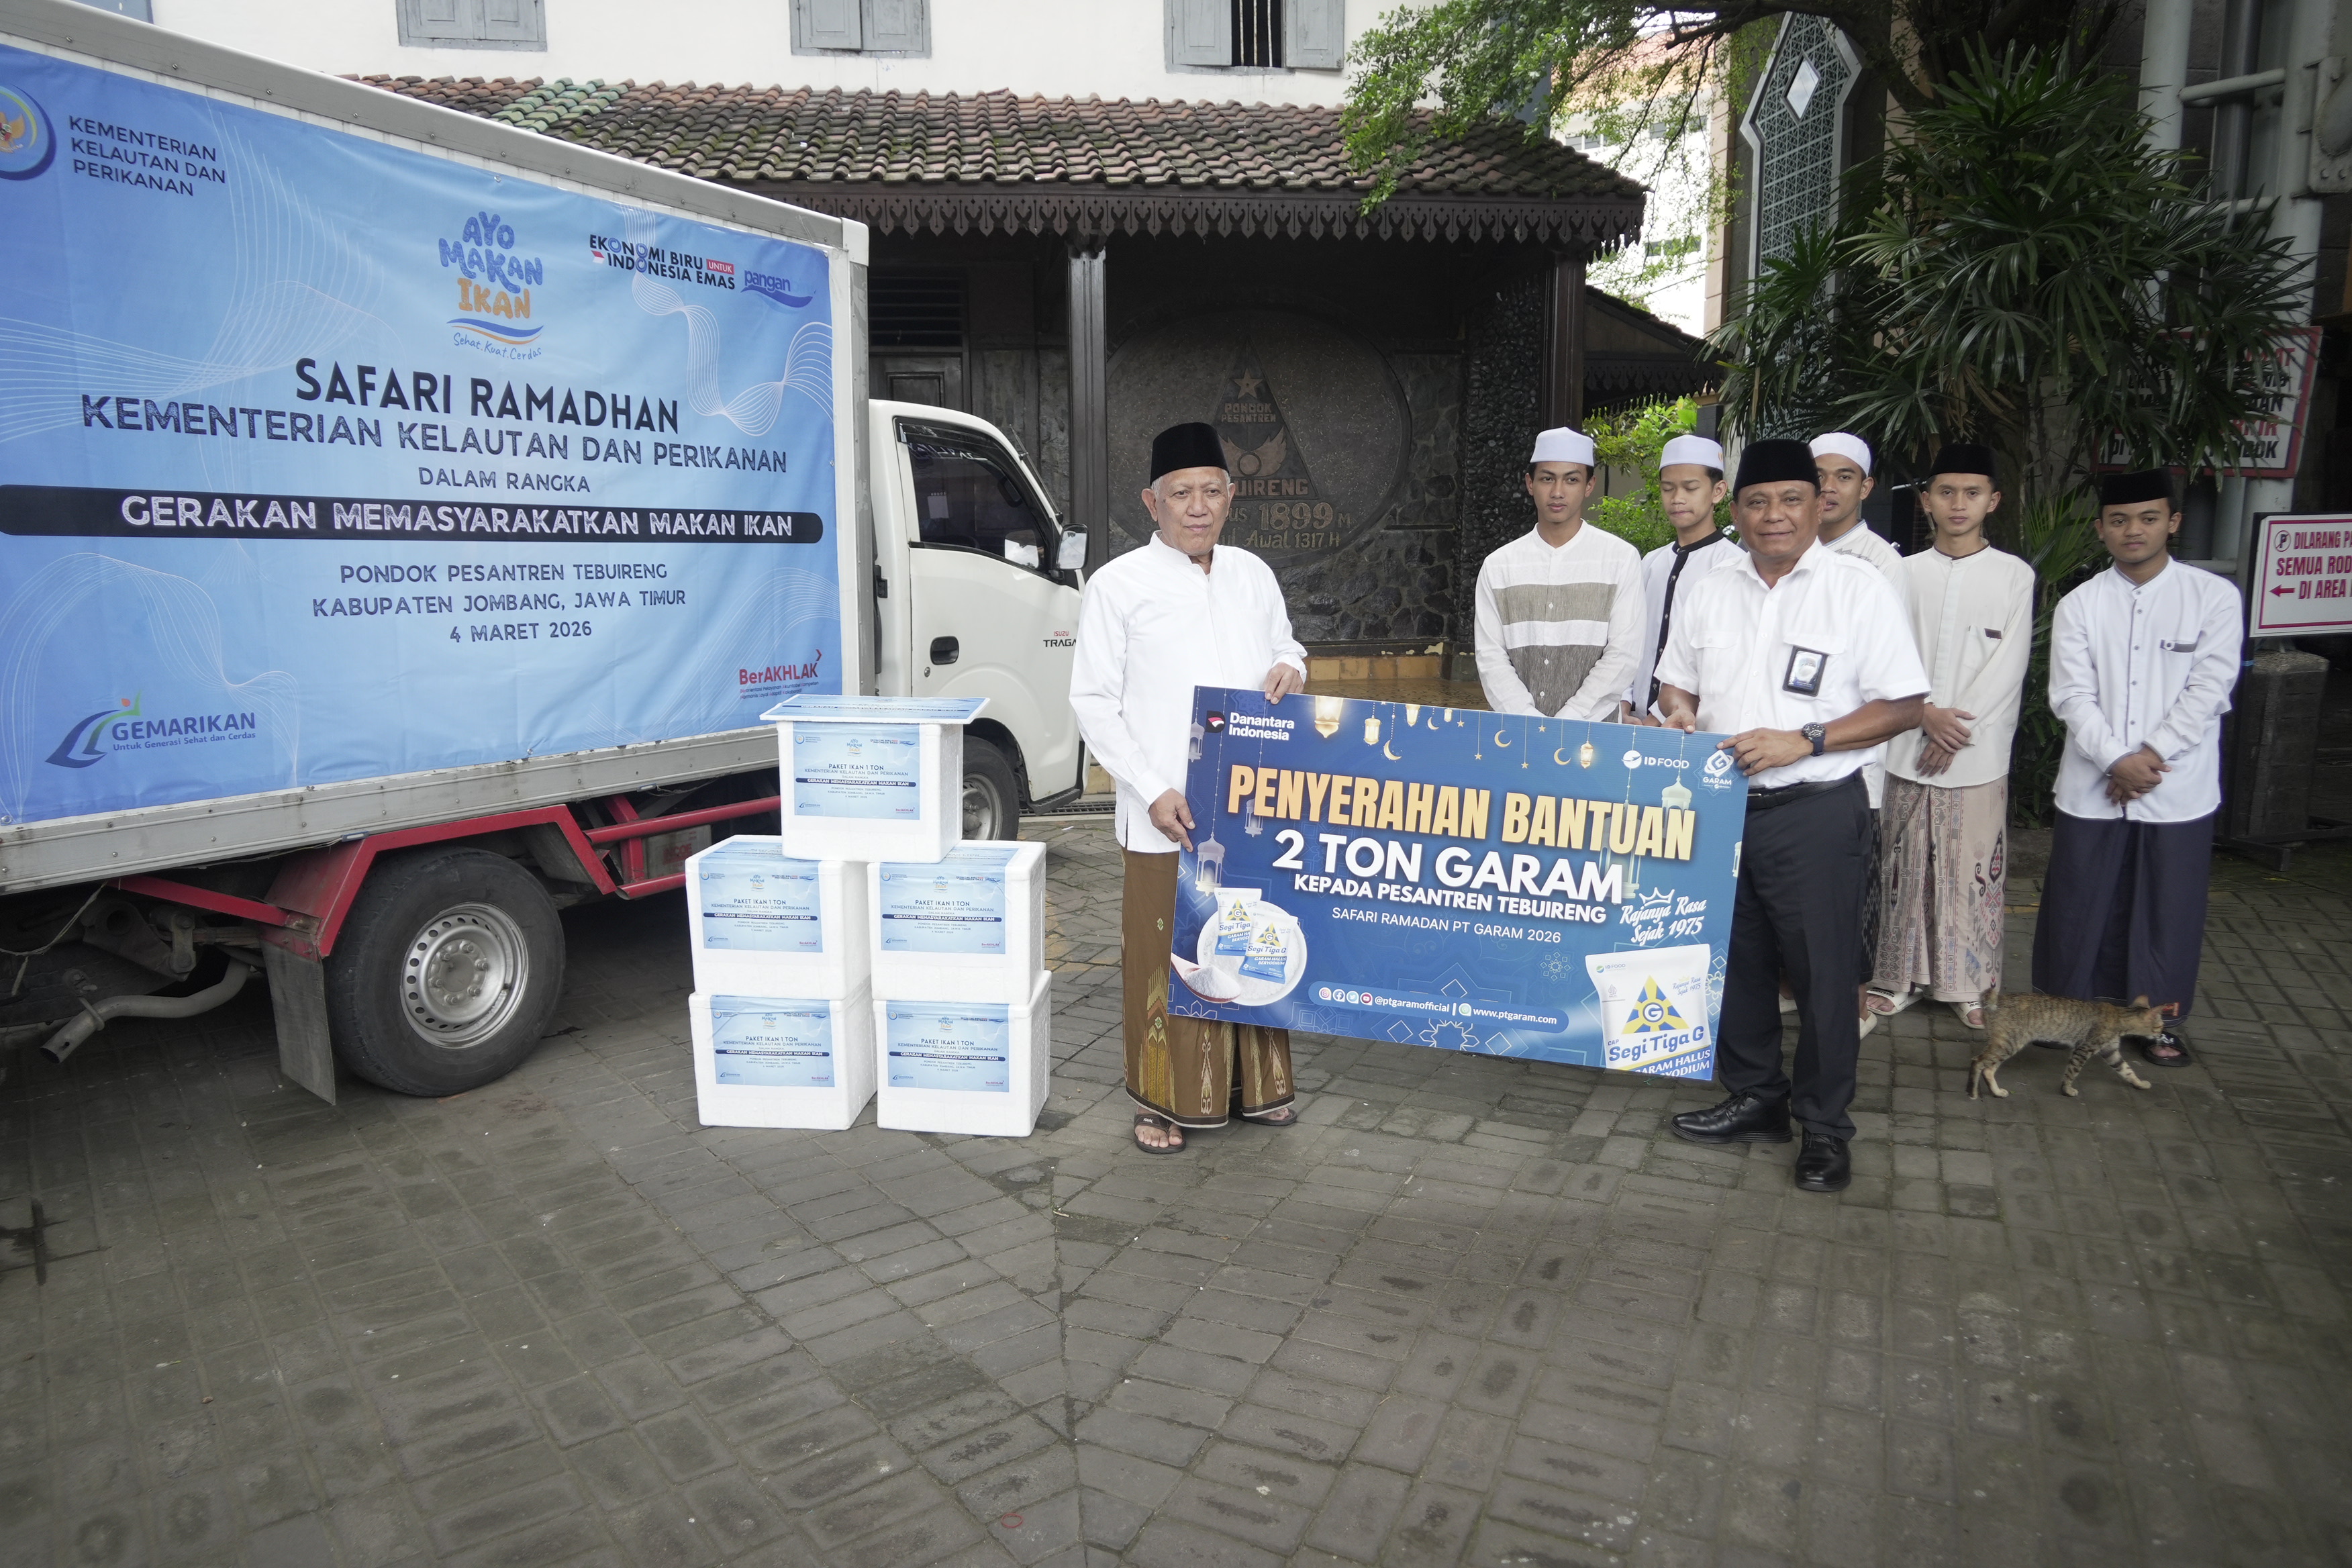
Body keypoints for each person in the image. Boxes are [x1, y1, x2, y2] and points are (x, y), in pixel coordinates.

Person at [1653, 438, 1928, 1193]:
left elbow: (1903, 704)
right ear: (1735, 510)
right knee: (1734, 962)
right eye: (1758, 501)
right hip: (1716, 805)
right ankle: (1757, 1098)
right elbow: (1674, 683)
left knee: (1823, 975)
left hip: (1814, 811)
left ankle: (1827, 1128)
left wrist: (1804, 738)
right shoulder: (1708, 586)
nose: (1773, 515)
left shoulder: (1858, 588)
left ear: (1821, 504)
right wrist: (1677, 713)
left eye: (1791, 500)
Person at [1069, 421, 1308, 1153]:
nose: (1197, 507)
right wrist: (1148, 786)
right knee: (1163, 950)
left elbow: (1285, 645)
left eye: (1211, 491)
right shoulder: (1118, 586)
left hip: (1249, 805)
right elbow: (1092, 701)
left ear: (1231, 496)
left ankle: (1255, 1090)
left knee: (1251, 935)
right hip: (1163, 811)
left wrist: (1293, 665)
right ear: (1152, 501)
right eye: (1181, 494)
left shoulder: (1251, 573)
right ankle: (1160, 1100)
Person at [2031, 469, 2242, 1069]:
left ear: (2172, 522)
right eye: (2119, 520)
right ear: (2100, 529)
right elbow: (2070, 695)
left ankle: (2157, 1024)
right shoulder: (2081, 604)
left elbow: (2211, 687)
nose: (2134, 530)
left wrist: (2148, 759)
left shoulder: (2212, 597)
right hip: (2095, 783)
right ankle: (2069, 1013)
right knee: (2079, 899)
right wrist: (2116, 759)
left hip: (2176, 785)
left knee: (2166, 907)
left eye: (2149, 518)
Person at [1866, 443, 2035, 1028]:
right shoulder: (1902, 573)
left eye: (1971, 493)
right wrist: (1924, 715)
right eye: (1945, 492)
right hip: (1907, 740)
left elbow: (2008, 666)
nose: (1958, 504)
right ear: (1926, 501)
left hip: (1976, 751)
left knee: (1971, 868)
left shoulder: (2015, 576)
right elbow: (1885, 656)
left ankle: (1970, 986)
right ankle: (1897, 978)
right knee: (1902, 864)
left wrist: (1952, 727)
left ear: (1993, 500)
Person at [1473, 426, 1645, 721]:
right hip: (1516, 733)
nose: (1557, 492)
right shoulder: (1499, 565)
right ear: (1530, 483)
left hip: (1595, 737)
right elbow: (1491, 658)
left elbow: (1623, 654)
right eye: (1547, 479)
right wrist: (1528, 721)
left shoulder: (1620, 559)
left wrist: (1572, 719)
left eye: (1572, 480)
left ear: (1589, 486)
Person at [1626, 432, 1742, 720]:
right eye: (1668, 489)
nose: (1677, 499)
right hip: (1632, 722)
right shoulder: (1651, 562)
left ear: (1718, 491)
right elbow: (1628, 640)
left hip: (1690, 726)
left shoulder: (1734, 566)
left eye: (1690, 488)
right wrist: (1623, 705)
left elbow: (1721, 661)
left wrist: (1657, 716)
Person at [1811, 432, 1903, 581]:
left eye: (1844, 477)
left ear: (1864, 488)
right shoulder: (1786, 547)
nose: (1828, 487)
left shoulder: (1884, 563)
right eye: (1819, 476)